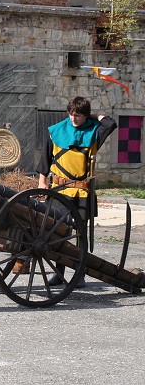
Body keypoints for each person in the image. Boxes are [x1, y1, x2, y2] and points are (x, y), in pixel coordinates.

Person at [37, 96, 117, 287]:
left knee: (80, 234)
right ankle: (59, 272)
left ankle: (79, 273)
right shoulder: (57, 131)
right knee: (57, 233)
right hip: (59, 190)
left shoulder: (94, 132)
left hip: (82, 191)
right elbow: (45, 159)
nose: (74, 118)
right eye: (71, 114)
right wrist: (42, 182)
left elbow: (111, 123)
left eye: (79, 115)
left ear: (85, 116)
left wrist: (93, 117)